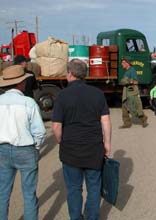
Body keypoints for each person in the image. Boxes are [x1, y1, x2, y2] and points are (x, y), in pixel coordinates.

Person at [52, 59, 111, 220]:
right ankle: (91, 217)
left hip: (70, 150)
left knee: (73, 189)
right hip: (94, 148)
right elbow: (105, 120)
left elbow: (56, 127)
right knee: (94, 187)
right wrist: (107, 143)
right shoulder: (98, 93)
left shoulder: (62, 95)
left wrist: (60, 141)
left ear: (70, 73)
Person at [0, 65, 46, 220]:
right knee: (29, 193)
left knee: (3, 192)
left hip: (2, 150)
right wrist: (36, 147)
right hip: (26, 149)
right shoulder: (29, 102)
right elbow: (39, 132)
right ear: (21, 83)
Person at [119, 57, 148, 128]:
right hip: (126, 92)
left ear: (127, 63)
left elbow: (136, 81)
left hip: (131, 92)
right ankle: (127, 123)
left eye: (123, 63)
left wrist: (126, 81)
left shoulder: (132, 70)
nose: (121, 64)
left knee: (133, 108)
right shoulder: (127, 71)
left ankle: (143, 118)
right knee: (124, 108)